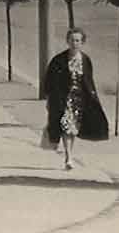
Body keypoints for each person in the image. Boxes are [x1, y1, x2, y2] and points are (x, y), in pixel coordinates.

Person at [43, 28, 109, 169]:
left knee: (73, 128)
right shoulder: (58, 60)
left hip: (80, 100)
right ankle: (68, 157)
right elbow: (50, 81)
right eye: (72, 40)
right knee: (67, 126)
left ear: (82, 42)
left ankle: (69, 154)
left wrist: (93, 98)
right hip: (63, 100)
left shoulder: (85, 60)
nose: (74, 43)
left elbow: (89, 81)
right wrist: (49, 99)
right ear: (67, 41)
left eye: (78, 40)